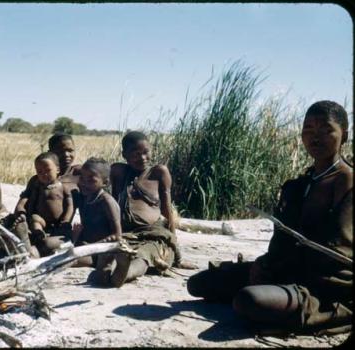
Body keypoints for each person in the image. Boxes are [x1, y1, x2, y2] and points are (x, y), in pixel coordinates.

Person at [187, 100, 352, 335]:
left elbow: (336, 252)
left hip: (323, 284)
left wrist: (275, 266)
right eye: (309, 130)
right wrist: (264, 264)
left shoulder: (346, 180)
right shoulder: (299, 185)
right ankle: (271, 298)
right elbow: (281, 239)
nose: (316, 137)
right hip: (283, 270)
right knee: (198, 284)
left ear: (344, 135)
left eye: (326, 130)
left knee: (248, 300)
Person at [109, 131, 197, 287]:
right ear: (125, 155)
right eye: (135, 154)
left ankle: (125, 273)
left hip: (153, 234)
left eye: (145, 152)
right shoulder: (119, 172)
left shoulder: (158, 172)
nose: (142, 158)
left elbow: (167, 209)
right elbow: (114, 204)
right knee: (115, 251)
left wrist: (176, 252)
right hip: (126, 233)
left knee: (144, 255)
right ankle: (109, 270)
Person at [70, 157, 130, 285]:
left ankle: (117, 269)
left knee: (71, 260)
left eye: (91, 179)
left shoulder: (106, 202)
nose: (85, 182)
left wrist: (92, 247)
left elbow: (117, 235)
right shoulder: (83, 198)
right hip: (87, 246)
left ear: (105, 182)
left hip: (102, 252)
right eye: (82, 178)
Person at [13, 152, 74, 257]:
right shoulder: (37, 186)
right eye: (40, 172)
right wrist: (22, 211)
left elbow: (70, 206)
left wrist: (66, 220)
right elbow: (27, 200)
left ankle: (36, 244)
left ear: (58, 170)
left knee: (55, 239)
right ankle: (38, 234)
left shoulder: (63, 188)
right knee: (35, 218)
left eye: (48, 170)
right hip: (42, 222)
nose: (44, 174)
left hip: (59, 224)